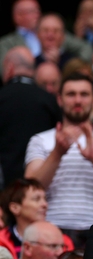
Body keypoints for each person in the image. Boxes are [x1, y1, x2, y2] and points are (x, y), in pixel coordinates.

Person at [24, 73, 93, 248]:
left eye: (84, 94)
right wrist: (57, 154)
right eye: (71, 94)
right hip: (49, 231)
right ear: (59, 99)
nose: (78, 100)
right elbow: (29, 190)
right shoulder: (40, 140)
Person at [0, 47, 60, 185]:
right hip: (40, 184)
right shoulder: (49, 100)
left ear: (9, 68)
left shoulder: (1, 98)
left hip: (5, 187)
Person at [0, 179, 74, 259]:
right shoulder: (1, 240)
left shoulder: (63, 241)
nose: (45, 204)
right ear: (15, 208)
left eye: (45, 199)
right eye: (36, 199)